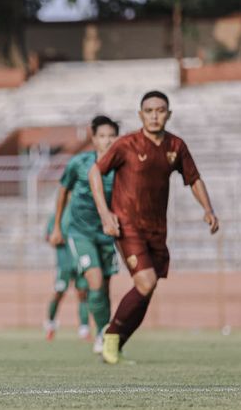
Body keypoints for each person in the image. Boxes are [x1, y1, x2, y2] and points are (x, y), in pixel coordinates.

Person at [89, 91, 219, 364]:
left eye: (160, 110)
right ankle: (110, 336)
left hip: (157, 230)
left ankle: (116, 342)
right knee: (145, 282)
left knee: (147, 289)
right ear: (141, 115)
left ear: (168, 114)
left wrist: (207, 209)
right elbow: (95, 172)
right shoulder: (126, 144)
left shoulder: (175, 146)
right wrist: (105, 213)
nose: (155, 115)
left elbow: (193, 179)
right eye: (149, 111)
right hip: (127, 225)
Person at [48, 115, 120, 352]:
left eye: (111, 136)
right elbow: (62, 191)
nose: (107, 140)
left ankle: (106, 334)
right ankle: (100, 333)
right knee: (94, 280)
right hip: (80, 233)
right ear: (94, 138)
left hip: (108, 234)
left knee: (105, 286)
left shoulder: (121, 167)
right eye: (102, 136)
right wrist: (58, 225)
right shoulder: (79, 163)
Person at [43, 196, 90, 342]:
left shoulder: (81, 215)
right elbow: (48, 236)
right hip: (64, 263)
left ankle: (84, 329)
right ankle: (50, 324)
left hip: (80, 261)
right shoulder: (57, 217)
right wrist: (55, 238)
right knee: (59, 292)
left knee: (82, 294)